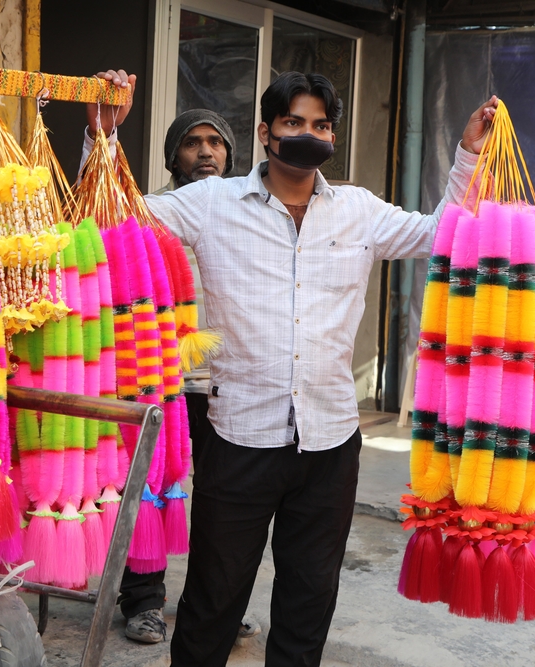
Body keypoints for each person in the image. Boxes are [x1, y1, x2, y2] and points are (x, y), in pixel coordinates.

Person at [89, 69, 496, 666]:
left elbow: (443, 236)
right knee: (213, 600)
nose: (309, 134)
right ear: (266, 133)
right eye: (294, 123)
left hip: (331, 443)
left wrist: (469, 156)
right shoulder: (210, 204)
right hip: (240, 438)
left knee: (309, 599)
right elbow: (116, 219)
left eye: (321, 125)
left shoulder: (358, 210)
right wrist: (102, 139)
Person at [81, 105, 262, 645]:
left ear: (230, 154)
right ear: (173, 157)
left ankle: (212, 608)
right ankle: (142, 603)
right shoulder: (153, 211)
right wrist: (101, 137)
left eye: (215, 142)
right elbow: (102, 204)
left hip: (228, 385)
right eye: (192, 142)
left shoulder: (250, 214)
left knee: (224, 507)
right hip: (160, 381)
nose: (205, 151)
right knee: (152, 493)